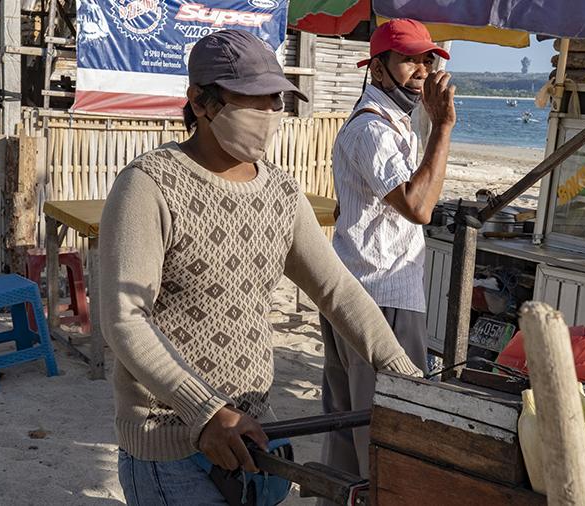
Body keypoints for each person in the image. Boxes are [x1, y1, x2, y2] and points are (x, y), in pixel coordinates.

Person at [98, 29, 422, 505]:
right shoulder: (148, 186)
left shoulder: (282, 194)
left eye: (275, 100)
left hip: (257, 431)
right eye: (252, 99)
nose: (268, 114)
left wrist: (404, 374)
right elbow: (125, 319)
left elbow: (338, 291)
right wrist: (205, 411)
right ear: (201, 102)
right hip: (171, 443)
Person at [319, 18, 455, 481]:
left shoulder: (389, 123)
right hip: (383, 297)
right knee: (387, 428)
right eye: (408, 59)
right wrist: (444, 127)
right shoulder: (372, 131)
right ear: (377, 70)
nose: (420, 69)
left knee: (346, 424)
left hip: (357, 290)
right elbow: (418, 206)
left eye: (426, 59)